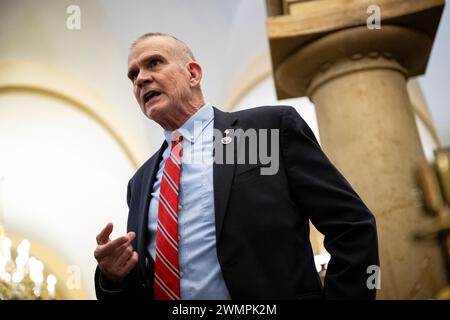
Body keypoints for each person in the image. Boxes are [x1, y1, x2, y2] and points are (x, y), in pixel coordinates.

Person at [94, 32, 379, 300]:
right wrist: (111, 278)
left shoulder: (266, 131)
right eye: (133, 75)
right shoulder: (140, 182)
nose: (141, 79)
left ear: (192, 74)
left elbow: (352, 227)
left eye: (154, 63)